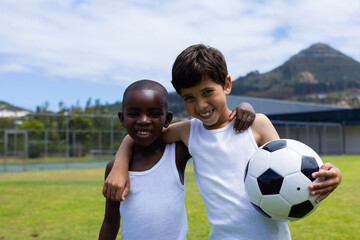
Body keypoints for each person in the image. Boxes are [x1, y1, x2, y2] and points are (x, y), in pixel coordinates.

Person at [103, 44, 342, 239]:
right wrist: (120, 166)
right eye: (189, 97)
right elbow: (143, 133)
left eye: (208, 92)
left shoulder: (257, 124)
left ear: (226, 85)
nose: (201, 105)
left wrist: (331, 175)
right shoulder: (189, 132)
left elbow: (289, 167)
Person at [99, 79, 255, 239]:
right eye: (133, 114)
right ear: (122, 118)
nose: (143, 120)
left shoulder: (178, 153)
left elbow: (216, 132)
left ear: (167, 119)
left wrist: (245, 107)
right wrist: (120, 163)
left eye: (153, 114)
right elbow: (110, 223)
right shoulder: (114, 170)